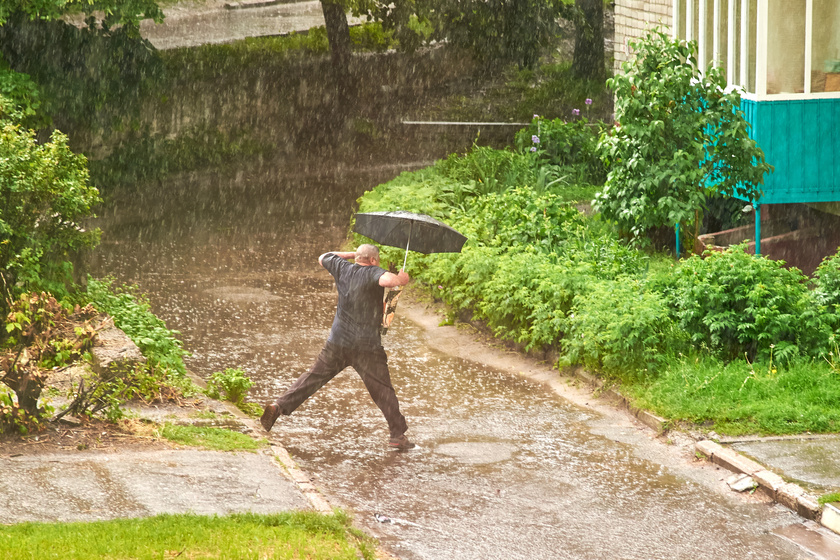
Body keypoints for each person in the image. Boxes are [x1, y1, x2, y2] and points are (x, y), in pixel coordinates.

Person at [260, 244, 415, 449]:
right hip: (366, 347)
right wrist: (401, 279)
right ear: (374, 260)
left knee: (313, 378)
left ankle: (278, 406)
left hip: (338, 342)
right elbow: (387, 280)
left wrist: (353, 254)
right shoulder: (373, 272)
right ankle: (397, 435)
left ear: (358, 258)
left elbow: (323, 256)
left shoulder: (342, 267)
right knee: (383, 390)